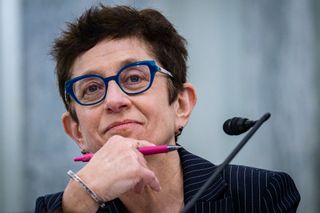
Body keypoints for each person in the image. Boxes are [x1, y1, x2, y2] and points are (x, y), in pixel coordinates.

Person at [35, 5, 300, 213]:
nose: (114, 100)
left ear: (181, 105)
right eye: (91, 88)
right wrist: (81, 201)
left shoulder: (259, 193)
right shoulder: (61, 208)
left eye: (134, 78)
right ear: (76, 131)